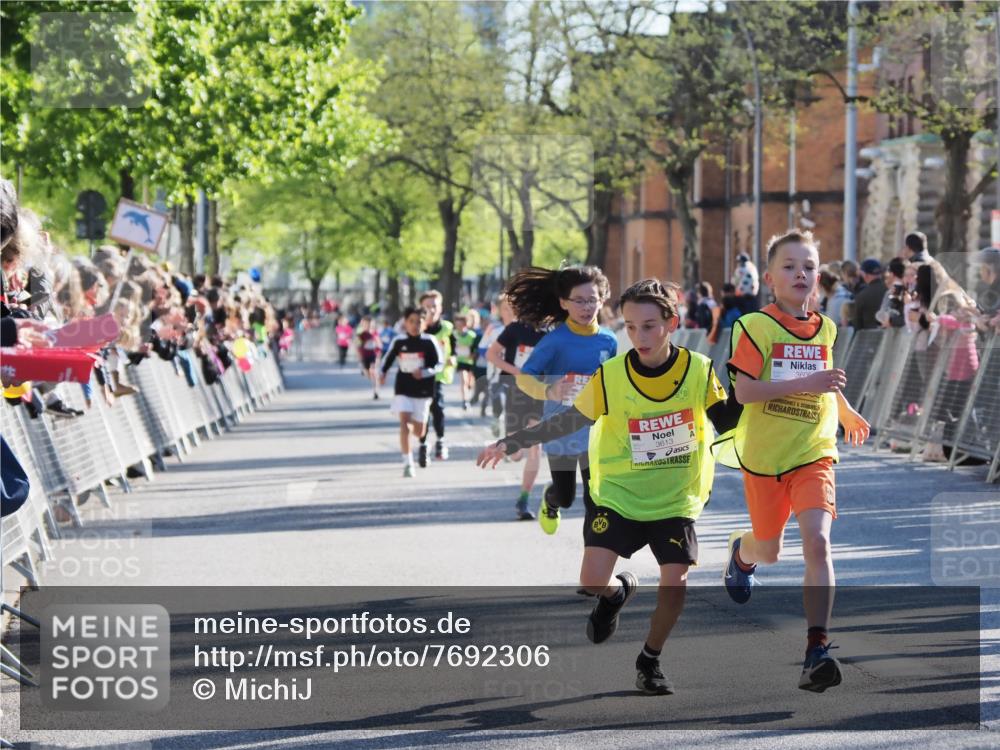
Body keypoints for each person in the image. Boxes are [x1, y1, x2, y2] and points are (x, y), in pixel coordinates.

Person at [477, 278, 739, 694]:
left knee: (676, 581)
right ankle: (616, 594)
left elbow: (728, 423)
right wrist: (512, 441)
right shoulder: (611, 376)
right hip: (618, 494)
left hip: (675, 496)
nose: (639, 336)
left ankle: (650, 660)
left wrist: (750, 395)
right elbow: (568, 420)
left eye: (649, 326)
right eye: (631, 327)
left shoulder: (699, 370)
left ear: (671, 323)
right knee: (592, 581)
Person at [713, 229, 871, 693]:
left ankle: (816, 648)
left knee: (818, 543)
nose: (800, 273)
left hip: (814, 452)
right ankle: (742, 556)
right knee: (770, 550)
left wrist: (845, 409)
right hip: (764, 457)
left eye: (808, 266)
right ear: (769, 278)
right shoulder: (752, 327)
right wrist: (810, 384)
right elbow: (744, 392)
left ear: (818, 277)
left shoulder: (826, 326)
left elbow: (823, 377)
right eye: (789, 266)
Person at [505, 265, 617, 536]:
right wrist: (549, 391)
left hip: (596, 431)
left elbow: (612, 383)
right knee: (565, 496)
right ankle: (550, 499)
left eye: (592, 299)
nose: (587, 306)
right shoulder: (555, 341)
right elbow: (524, 377)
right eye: (579, 300)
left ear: (602, 300)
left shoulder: (609, 340)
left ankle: (596, 548)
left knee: (596, 497)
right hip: (560, 430)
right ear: (564, 303)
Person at [486, 293, 545, 520]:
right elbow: (492, 355)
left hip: (539, 393)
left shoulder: (550, 333)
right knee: (515, 452)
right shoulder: (514, 330)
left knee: (535, 446)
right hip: (516, 392)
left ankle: (524, 499)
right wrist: (517, 371)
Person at [378, 306, 443, 477]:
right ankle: (408, 463)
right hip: (403, 388)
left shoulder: (429, 341)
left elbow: (439, 364)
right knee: (404, 422)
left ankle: (423, 442)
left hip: (423, 390)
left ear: (424, 323)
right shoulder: (399, 341)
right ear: (405, 323)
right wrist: (382, 373)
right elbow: (388, 359)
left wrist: (425, 372)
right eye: (411, 322)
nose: (415, 325)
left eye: (418, 322)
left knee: (419, 431)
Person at [418, 290, 456, 463]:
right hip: (419, 375)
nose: (431, 310)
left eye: (434, 306)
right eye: (427, 306)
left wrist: (453, 357)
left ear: (440, 308)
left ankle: (440, 440)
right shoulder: (417, 328)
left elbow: (453, 345)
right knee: (421, 411)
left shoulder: (446, 328)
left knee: (437, 407)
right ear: (421, 308)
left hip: (438, 375)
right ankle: (423, 443)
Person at [453, 312, 480, 411]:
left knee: (470, 381)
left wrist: (474, 354)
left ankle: (469, 388)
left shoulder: (471, 335)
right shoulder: (454, 335)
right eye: (457, 325)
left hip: (470, 361)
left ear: (466, 324)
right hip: (460, 361)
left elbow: (476, 348)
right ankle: (465, 400)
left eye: (461, 325)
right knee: (463, 380)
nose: (459, 327)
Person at [851, 258, 886, 330]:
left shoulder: (862, 296)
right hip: (889, 337)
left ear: (864, 274)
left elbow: (857, 324)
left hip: (868, 338)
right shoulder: (890, 290)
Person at [875, 257, 908, 329]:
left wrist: (886, 318)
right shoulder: (907, 289)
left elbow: (883, 313)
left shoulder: (893, 291)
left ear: (892, 274)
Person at [355, 316, 382, 399]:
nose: (367, 326)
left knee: (373, 372)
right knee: (368, 373)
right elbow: (357, 346)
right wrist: (359, 357)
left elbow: (379, 344)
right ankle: (372, 379)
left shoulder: (374, 333)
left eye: (368, 324)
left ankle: (376, 391)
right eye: (365, 324)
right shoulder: (361, 334)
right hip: (365, 356)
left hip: (373, 355)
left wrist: (378, 346)